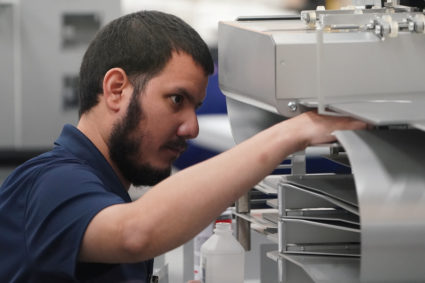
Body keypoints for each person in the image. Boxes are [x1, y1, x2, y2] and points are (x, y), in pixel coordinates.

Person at [0, 10, 366, 283]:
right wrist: (291, 133)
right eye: (176, 99)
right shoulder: (50, 181)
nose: (191, 128)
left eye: (195, 106)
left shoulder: (100, 190)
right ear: (116, 89)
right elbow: (134, 233)